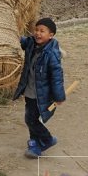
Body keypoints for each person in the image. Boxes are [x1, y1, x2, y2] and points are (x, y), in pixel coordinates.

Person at [13, 17, 65, 158]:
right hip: (30, 91)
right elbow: (21, 41)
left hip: (42, 94)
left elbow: (57, 77)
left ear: (51, 35)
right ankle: (35, 146)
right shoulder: (31, 44)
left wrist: (59, 96)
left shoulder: (51, 54)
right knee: (31, 118)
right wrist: (12, 34)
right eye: (36, 30)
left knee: (31, 119)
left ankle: (48, 139)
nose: (38, 33)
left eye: (42, 31)